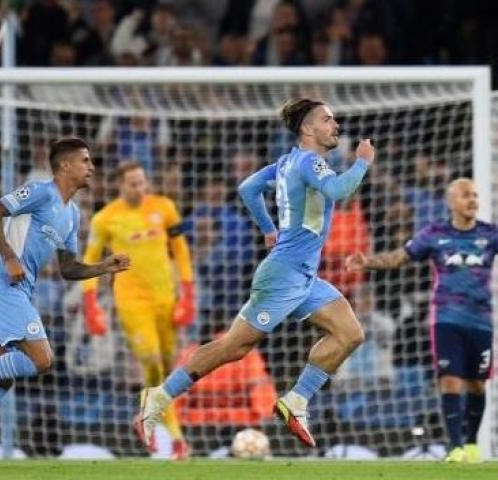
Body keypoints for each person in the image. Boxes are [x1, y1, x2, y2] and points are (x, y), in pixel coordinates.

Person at [138, 98, 375, 449]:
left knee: (350, 332)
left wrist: (268, 228)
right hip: (282, 275)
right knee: (233, 347)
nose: (335, 125)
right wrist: (361, 162)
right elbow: (340, 190)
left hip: (304, 276)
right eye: (327, 120)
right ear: (307, 128)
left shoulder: (286, 162)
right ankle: (157, 398)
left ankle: (296, 401)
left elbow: (247, 188)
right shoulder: (310, 162)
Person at [0, 137, 130, 464]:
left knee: (2, 377)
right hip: (1, 284)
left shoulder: (73, 214)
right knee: (42, 360)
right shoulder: (40, 192)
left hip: (17, 290)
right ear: (65, 165)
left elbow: (68, 269)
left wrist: (104, 267)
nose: (91, 167)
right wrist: (10, 257)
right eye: (85, 160)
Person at [346, 178, 492, 464]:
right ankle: (455, 447)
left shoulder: (490, 234)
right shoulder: (434, 234)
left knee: (477, 385)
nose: (472, 199)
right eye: (465, 195)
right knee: (450, 381)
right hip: (446, 319)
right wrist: (368, 262)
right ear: (451, 202)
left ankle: (473, 444)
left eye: (475, 194)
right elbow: (400, 258)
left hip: (481, 321)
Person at [81, 161, 196, 459]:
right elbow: (90, 261)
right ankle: (175, 438)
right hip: (132, 301)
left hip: (165, 298)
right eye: (133, 183)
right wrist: (90, 305)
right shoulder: (106, 219)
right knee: (153, 363)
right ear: (121, 185)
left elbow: (181, 250)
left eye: (142, 182)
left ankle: (150, 419)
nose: (139, 188)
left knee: (168, 371)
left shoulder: (166, 208)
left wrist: (188, 295)